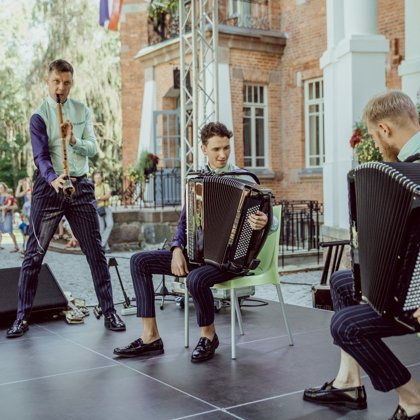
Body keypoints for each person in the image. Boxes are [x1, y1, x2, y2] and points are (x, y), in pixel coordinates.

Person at [303, 91, 420, 420]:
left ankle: (413, 400)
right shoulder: (405, 168)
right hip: (411, 285)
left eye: (372, 135)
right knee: (344, 281)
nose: (376, 144)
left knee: (346, 326)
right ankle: (349, 382)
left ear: (384, 129)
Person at [114, 121, 273, 362]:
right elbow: (184, 222)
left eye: (226, 148)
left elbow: (270, 219)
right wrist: (177, 249)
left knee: (195, 278)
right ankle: (150, 338)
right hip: (197, 255)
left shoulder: (245, 179)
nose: (222, 154)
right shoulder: (196, 180)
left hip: (232, 260)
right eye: (216, 149)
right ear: (203, 149)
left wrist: (265, 222)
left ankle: (208, 336)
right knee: (139, 261)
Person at [6, 59, 125, 338]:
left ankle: (109, 311)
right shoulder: (39, 116)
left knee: (95, 252)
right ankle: (21, 317)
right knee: (34, 254)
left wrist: (73, 140)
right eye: (56, 82)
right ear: (47, 82)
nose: (61, 87)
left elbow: (92, 148)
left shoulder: (82, 110)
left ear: (72, 83)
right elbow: (40, 156)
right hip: (50, 187)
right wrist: (52, 178)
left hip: (80, 186)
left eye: (66, 82)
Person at [94, 172, 113, 253]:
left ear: (101, 178)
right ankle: (106, 247)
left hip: (106, 207)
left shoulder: (105, 186)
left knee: (110, 225)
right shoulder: (93, 187)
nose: (97, 180)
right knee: (101, 228)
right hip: (98, 209)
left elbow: (108, 196)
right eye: (95, 178)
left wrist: (98, 198)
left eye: (98, 178)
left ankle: (101, 245)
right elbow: (93, 198)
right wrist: (101, 197)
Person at [0, 182, 20, 252]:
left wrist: (7, 207)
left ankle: (16, 246)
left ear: (4, 188)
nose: (0, 189)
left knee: (10, 232)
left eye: (1, 188)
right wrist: (2, 208)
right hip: (0, 214)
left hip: (7, 215)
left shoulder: (9, 196)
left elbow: (16, 206)